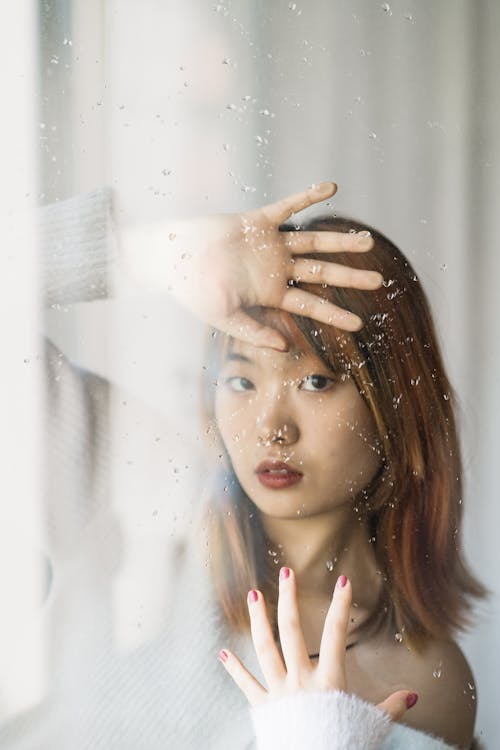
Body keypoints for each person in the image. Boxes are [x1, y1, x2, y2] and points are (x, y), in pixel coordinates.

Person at [0, 183, 484, 748]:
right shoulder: (142, 499)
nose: (270, 425)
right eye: (241, 380)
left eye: (315, 381)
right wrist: (156, 254)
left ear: (395, 408)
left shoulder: (423, 684)